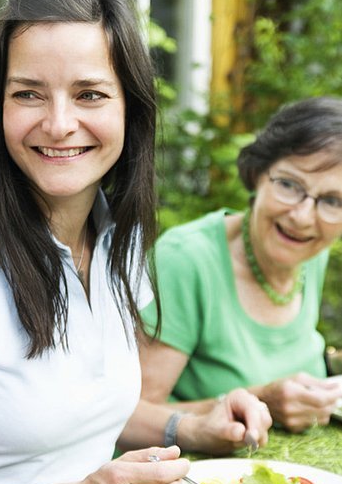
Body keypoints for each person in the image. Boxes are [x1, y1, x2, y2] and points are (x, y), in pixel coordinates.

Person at [0, 0, 271, 484]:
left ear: (131, 110)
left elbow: (82, 412)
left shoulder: (120, 237)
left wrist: (190, 425)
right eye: (28, 93)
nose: (59, 123)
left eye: (89, 93)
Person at [141, 96, 342, 435]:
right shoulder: (187, 260)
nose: (302, 217)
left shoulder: (311, 251)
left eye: (333, 201)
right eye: (290, 185)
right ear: (258, 174)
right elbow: (127, 415)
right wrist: (260, 400)